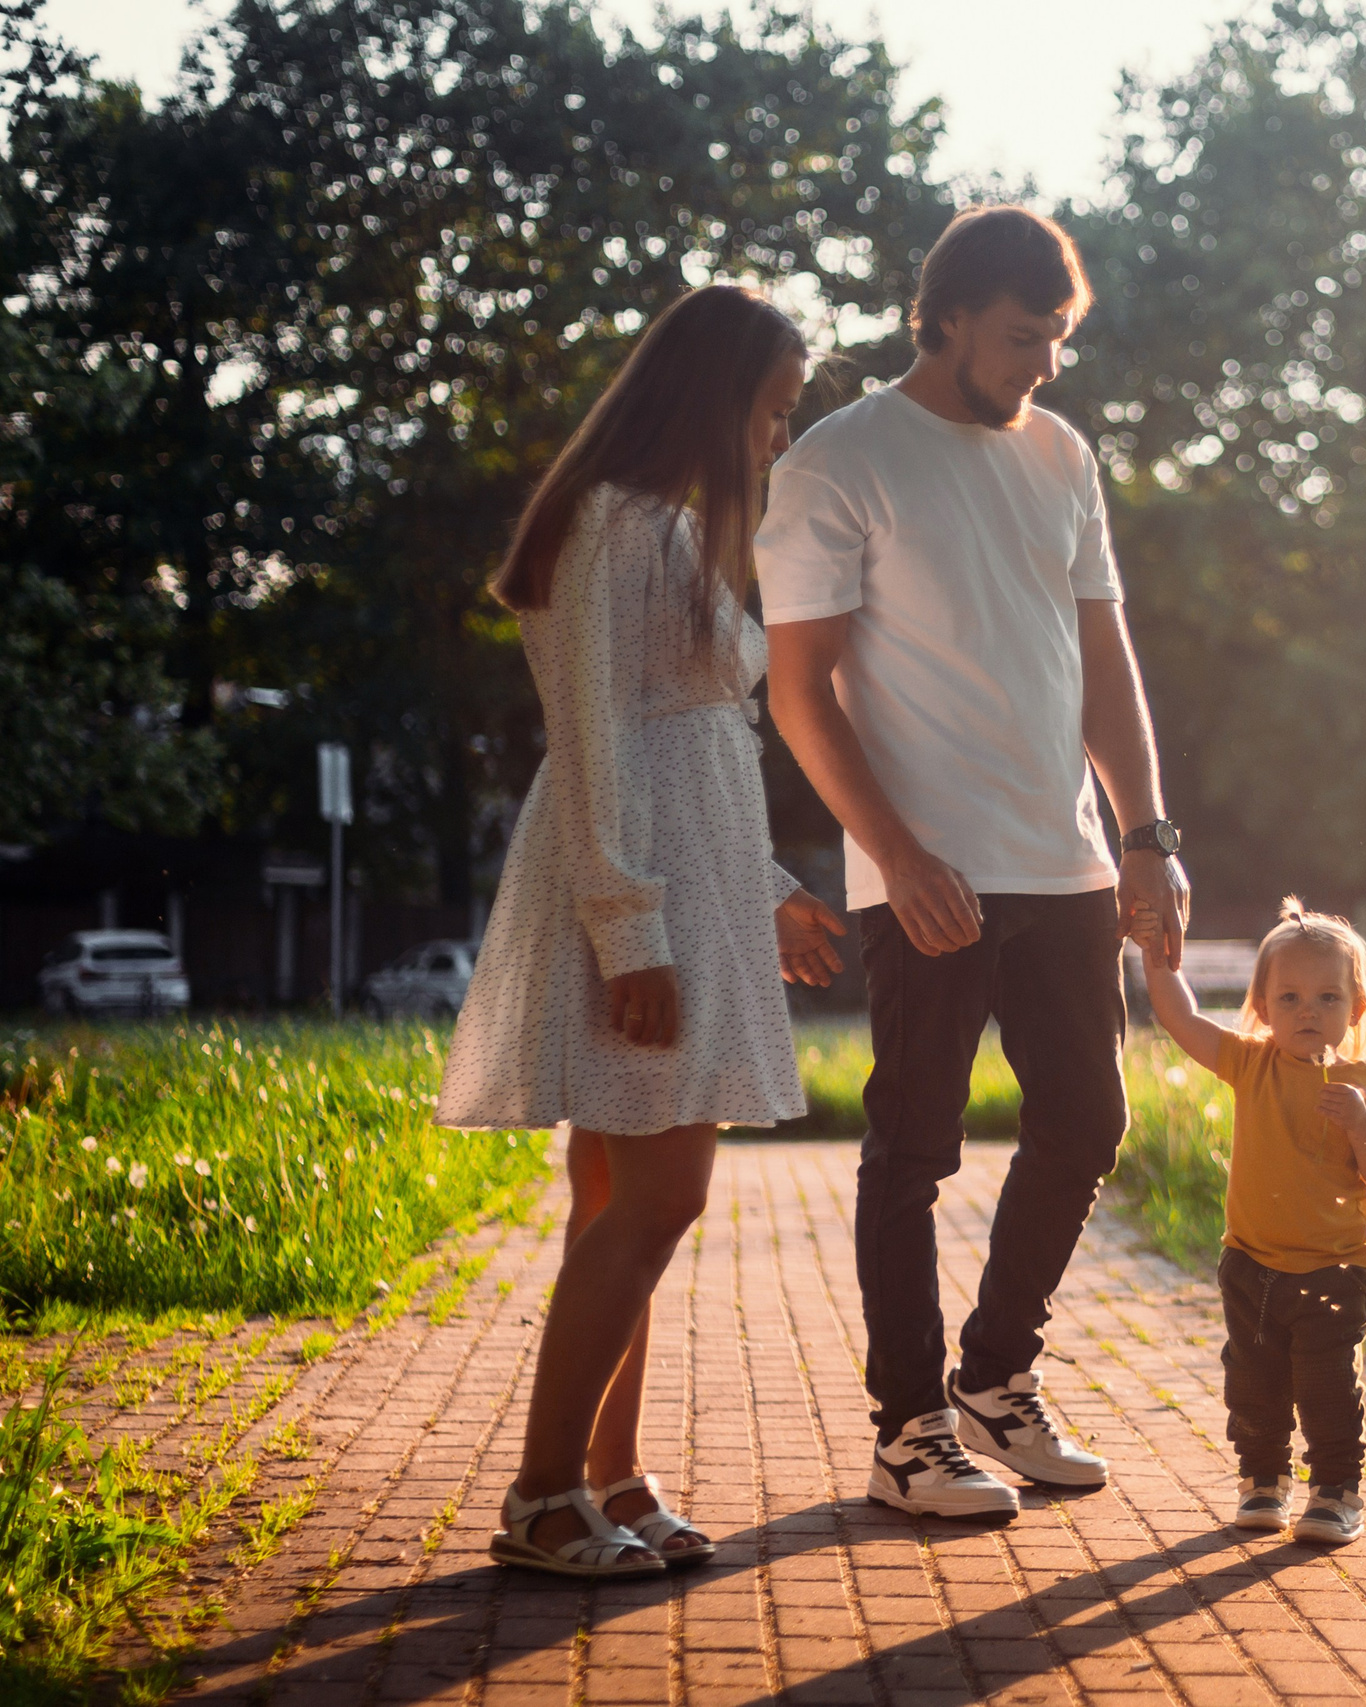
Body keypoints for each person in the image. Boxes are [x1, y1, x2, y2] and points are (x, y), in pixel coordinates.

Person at [761, 205, 1189, 1519]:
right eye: (1024, 334)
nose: (1046, 363)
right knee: (913, 1148)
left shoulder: (1062, 455)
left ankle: (998, 1377)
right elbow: (800, 691)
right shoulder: (842, 461)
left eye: (1059, 337)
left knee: (1088, 1123)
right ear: (943, 316)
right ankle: (908, 1428)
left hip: (1062, 861)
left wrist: (1148, 833)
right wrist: (893, 851)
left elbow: (1104, 657)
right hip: (931, 871)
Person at [437, 285, 849, 1577]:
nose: (777, 439)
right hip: (640, 904)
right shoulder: (612, 528)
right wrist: (632, 933)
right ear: (713, 394)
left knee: (618, 1194)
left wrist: (769, 881)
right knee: (660, 1192)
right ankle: (544, 1492)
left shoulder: (661, 528)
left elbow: (696, 742)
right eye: (773, 410)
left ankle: (607, 1473)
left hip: (691, 890)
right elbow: (599, 743)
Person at [1132, 898, 1366, 1544]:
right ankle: (1262, 1479)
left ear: (1356, 1008)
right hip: (1252, 1263)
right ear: (1261, 1006)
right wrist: (1153, 951)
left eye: (1326, 997)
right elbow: (1180, 1016)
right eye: (1288, 997)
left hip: (1335, 1268)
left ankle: (1337, 1489)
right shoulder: (1248, 1063)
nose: (1307, 1011)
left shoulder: (1364, 1082)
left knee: (1326, 1383)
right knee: (1253, 1383)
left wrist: (1362, 1123)